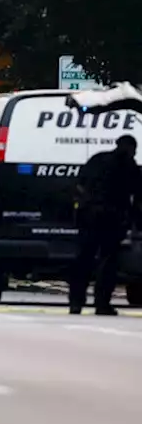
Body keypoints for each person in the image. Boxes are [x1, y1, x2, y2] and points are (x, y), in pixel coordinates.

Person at [69, 134, 141, 316]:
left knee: (83, 260)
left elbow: (78, 184)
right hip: (112, 219)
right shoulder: (129, 167)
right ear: (132, 148)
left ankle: (76, 302)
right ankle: (101, 304)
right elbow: (137, 196)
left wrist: (81, 208)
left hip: (89, 217)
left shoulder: (97, 159)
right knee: (107, 263)